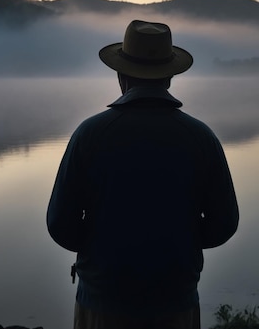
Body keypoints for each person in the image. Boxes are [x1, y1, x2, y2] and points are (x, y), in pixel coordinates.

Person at [47, 20, 239, 329]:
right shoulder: (201, 137)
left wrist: (101, 243)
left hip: (101, 304)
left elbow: (60, 224)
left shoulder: (90, 135)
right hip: (176, 303)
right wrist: (179, 238)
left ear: (121, 75)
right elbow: (224, 223)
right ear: (170, 77)